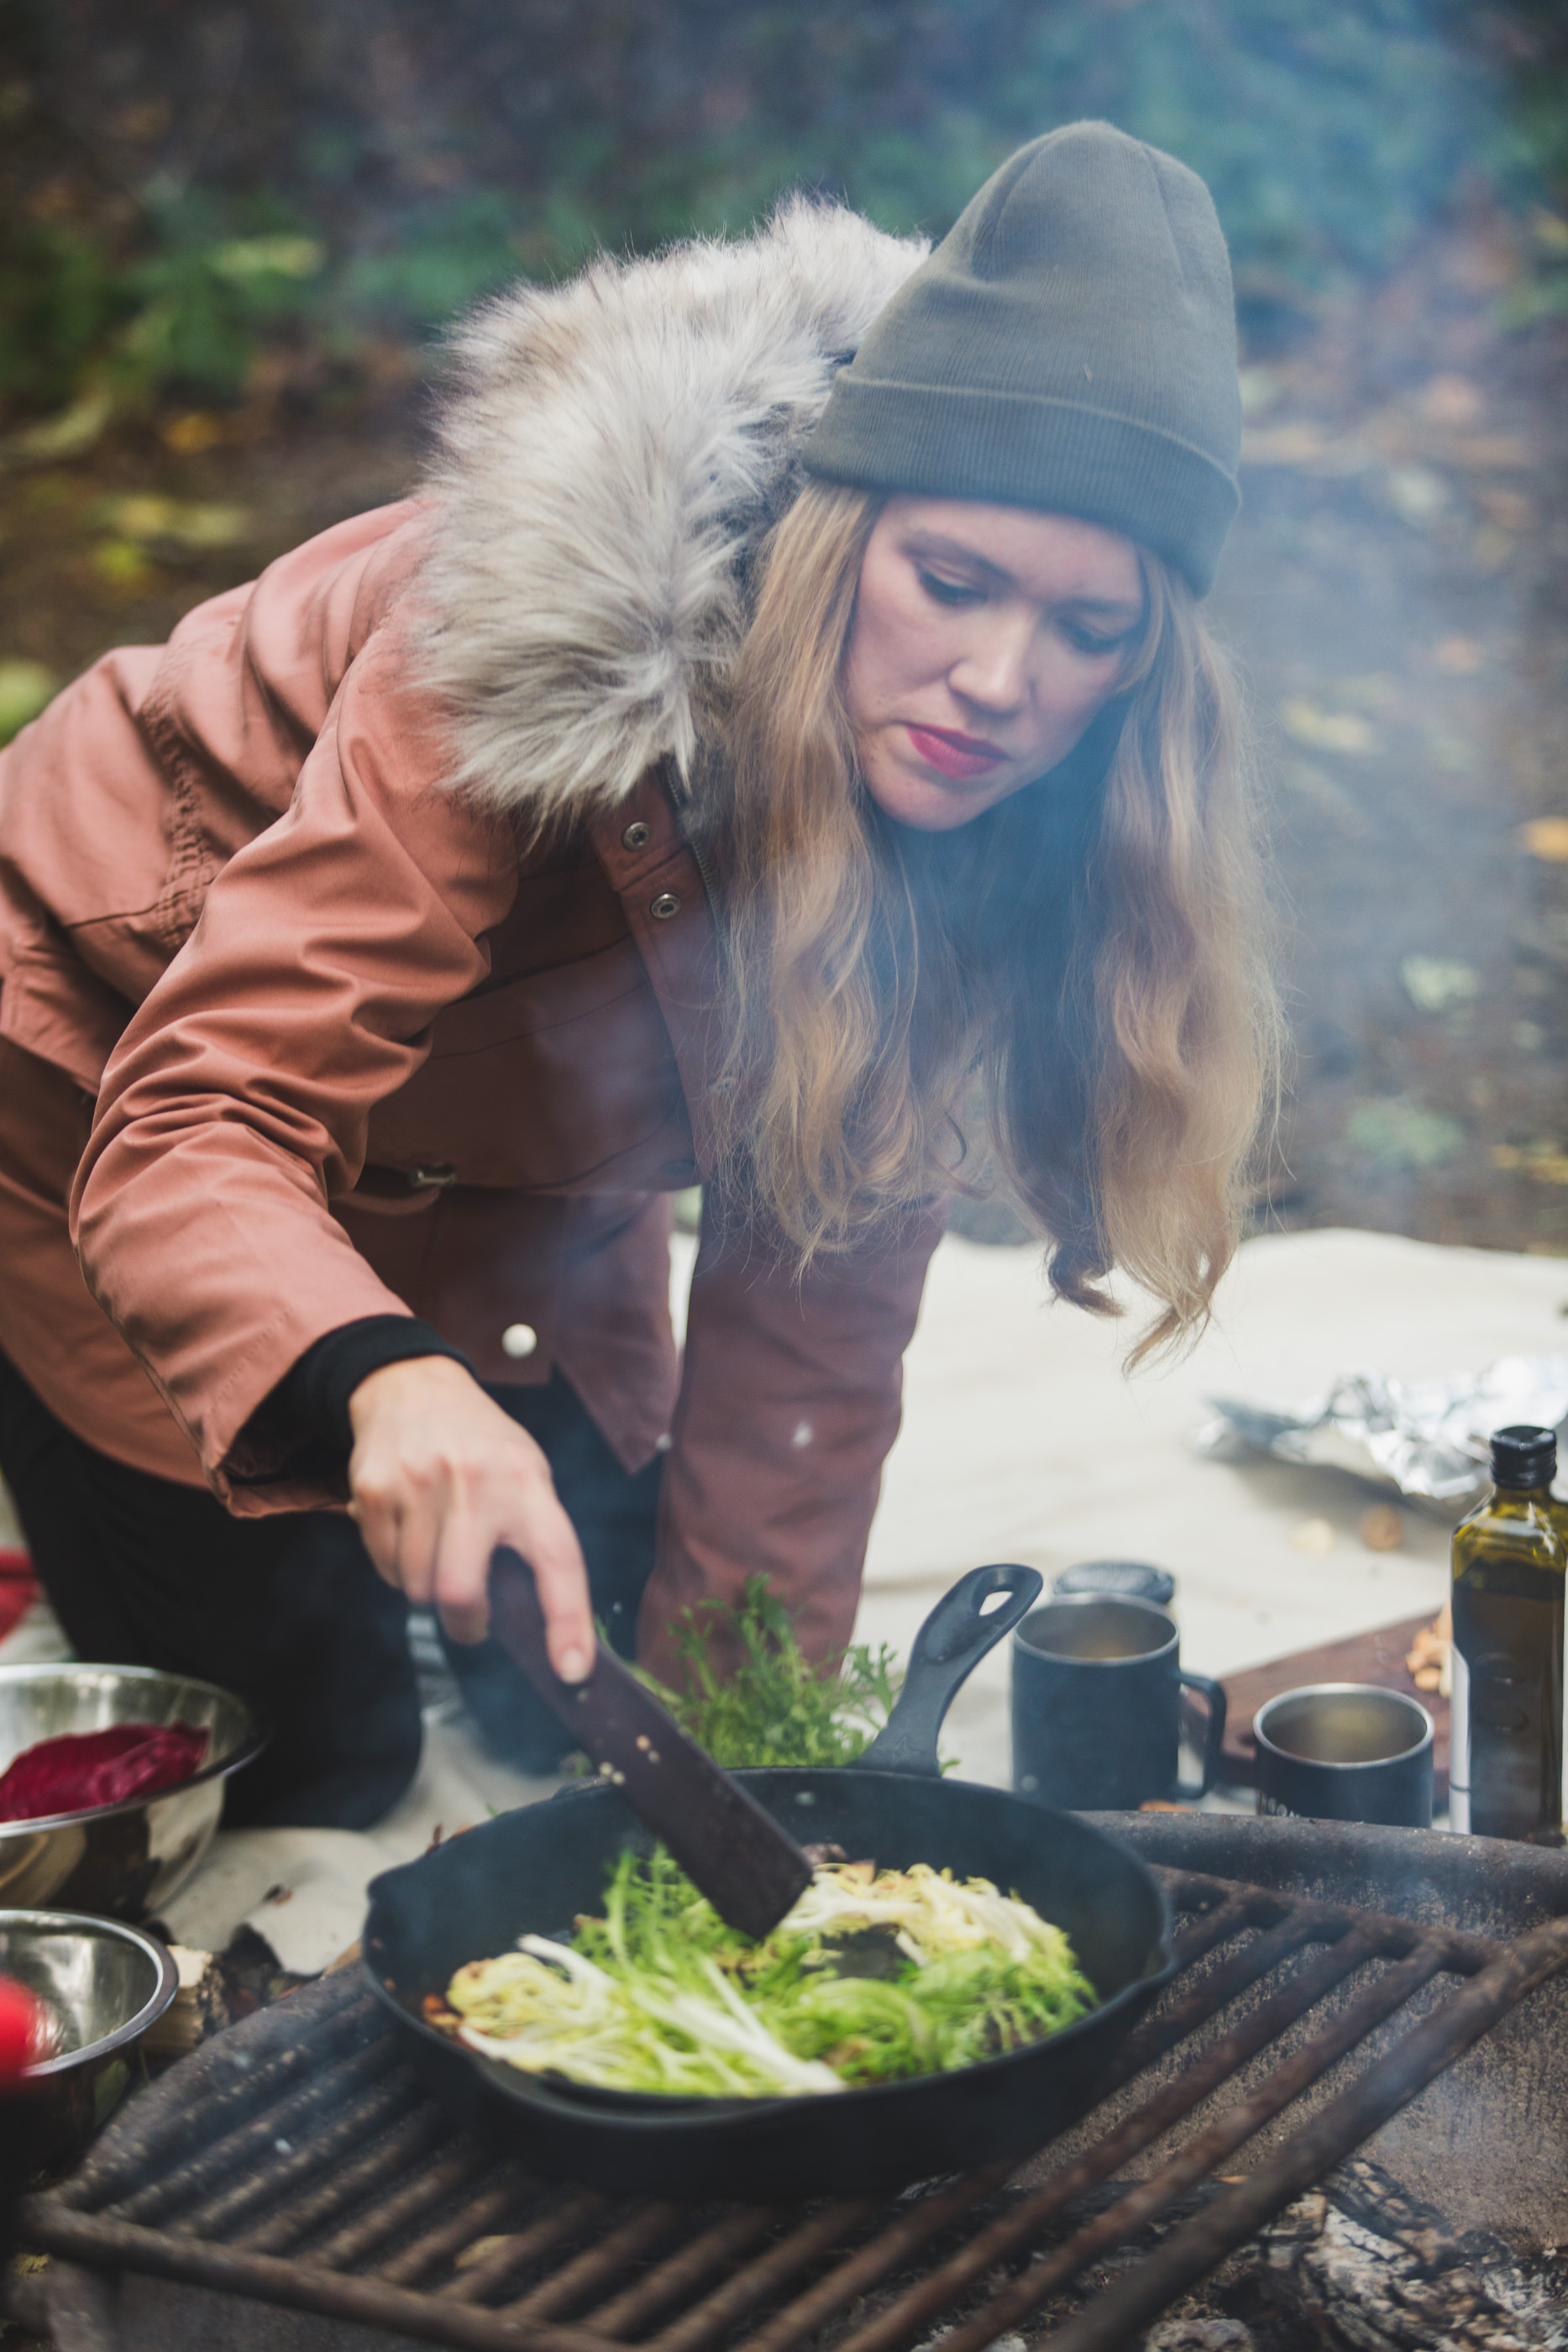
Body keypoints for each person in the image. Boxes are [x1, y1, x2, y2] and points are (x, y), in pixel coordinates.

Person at [0, 122, 1274, 1827]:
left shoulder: (993, 811)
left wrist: (744, 1792)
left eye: (1085, 631)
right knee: (318, 1770)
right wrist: (381, 1375)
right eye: (951, 583)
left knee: (618, 1719)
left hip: (504, 1154)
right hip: (113, 1081)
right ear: (841, 537)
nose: (995, 681)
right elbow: (192, 1122)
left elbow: (806, 1352)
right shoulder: (533, 638)